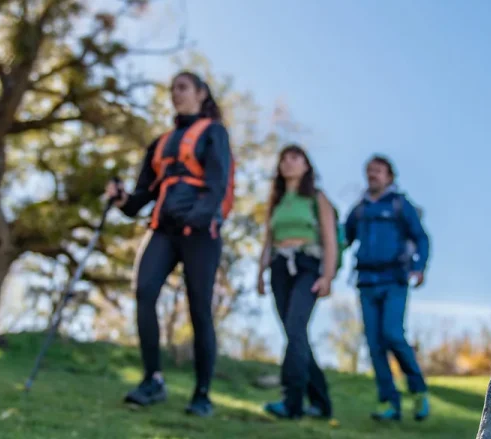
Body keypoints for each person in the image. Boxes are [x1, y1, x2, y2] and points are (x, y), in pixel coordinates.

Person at [104, 71, 233, 418]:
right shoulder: (160, 144)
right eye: (172, 89)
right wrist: (120, 198)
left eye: (182, 87)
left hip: (200, 231)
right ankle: (153, 380)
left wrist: (196, 218)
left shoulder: (213, 133)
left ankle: (202, 393)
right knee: (144, 291)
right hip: (162, 228)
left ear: (201, 93)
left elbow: (218, 183)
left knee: (199, 309)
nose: (175, 94)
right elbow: (139, 200)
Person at [343, 154, 431, 422]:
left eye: (378, 171)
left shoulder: (399, 205)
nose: (373, 175)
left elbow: (421, 237)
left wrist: (420, 266)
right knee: (374, 343)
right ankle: (390, 403)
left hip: (394, 278)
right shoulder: (359, 210)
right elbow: (343, 238)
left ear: (389, 177)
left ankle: (418, 390)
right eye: (369, 170)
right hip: (366, 282)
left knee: (392, 334)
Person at [256, 145, 338, 420]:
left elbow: (329, 240)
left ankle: (291, 402)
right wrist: (260, 273)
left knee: (295, 326)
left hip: (307, 266)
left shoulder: (317, 197)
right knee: (295, 334)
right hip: (279, 267)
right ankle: (322, 402)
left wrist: (327, 275)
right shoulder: (276, 201)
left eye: (295, 158)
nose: (288, 163)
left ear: (306, 165)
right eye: (283, 159)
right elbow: (268, 240)